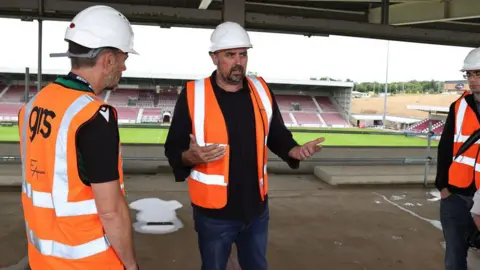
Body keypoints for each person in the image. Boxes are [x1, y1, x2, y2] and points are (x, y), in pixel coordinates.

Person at [164, 21, 325, 270]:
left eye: (243, 54)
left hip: (256, 210)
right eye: (230, 55)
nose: (238, 61)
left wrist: (296, 150)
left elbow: (277, 134)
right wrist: (190, 156)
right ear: (214, 58)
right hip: (214, 215)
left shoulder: (261, 89)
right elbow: (173, 149)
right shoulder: (193, 94)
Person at [18, 5, 139, 270]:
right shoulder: (95, 116)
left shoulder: (33, 104)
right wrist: (131, 264)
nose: (124, 66)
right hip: (89, 262)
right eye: (122, 58)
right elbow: (111, 211)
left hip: (42, 260)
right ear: (107, 60)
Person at [436, 46, 480, 270]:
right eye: (470, 74)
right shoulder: (458, 107)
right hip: (456, 196)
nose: (473, 80)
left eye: (478, 73)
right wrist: (443, 187)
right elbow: (445, 149)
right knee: (454, 258)